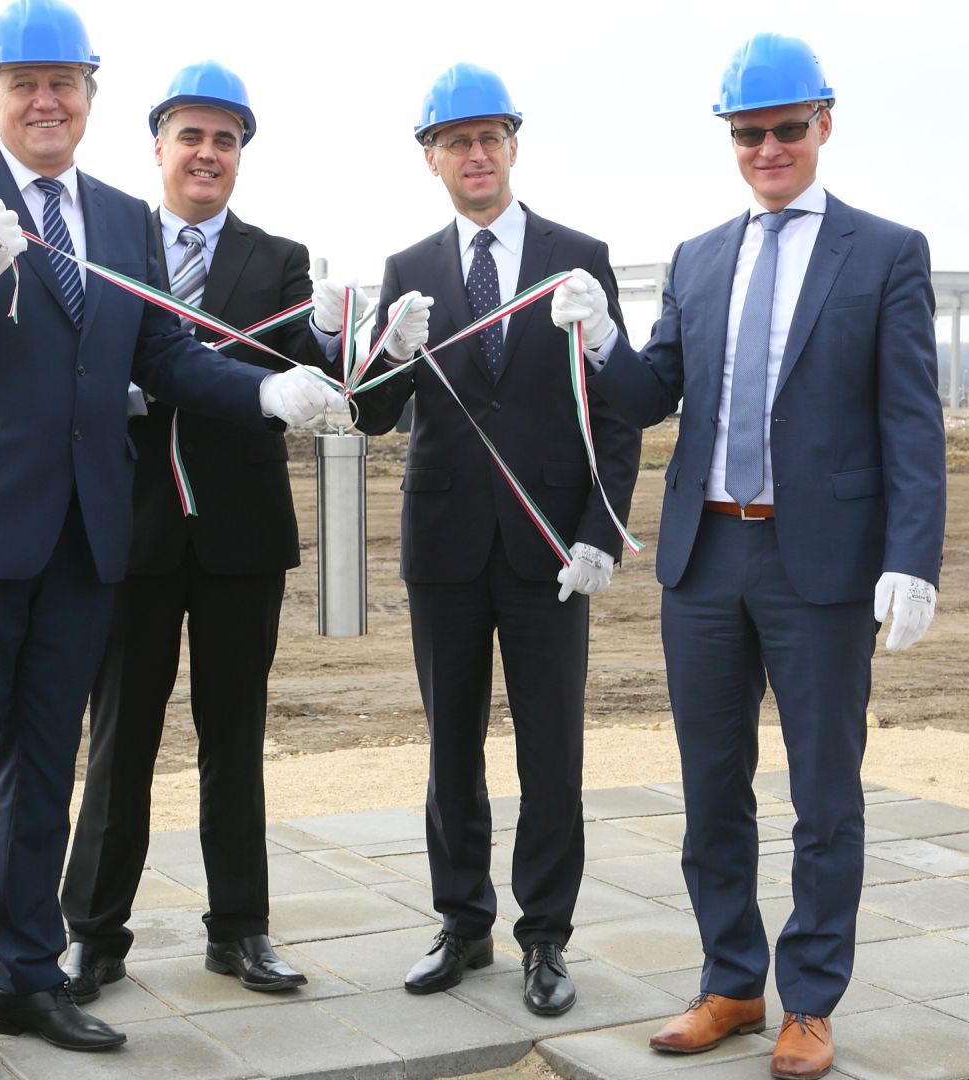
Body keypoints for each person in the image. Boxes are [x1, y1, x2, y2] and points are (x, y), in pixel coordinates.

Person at [0, 5, 341, 1077]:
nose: (45, 99)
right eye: (24, 80)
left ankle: (26, 977)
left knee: (42, 769)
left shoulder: (121, 220)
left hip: (81, 541)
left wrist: (267, 393)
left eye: (64, 80)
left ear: (91, 96)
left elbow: (165, 356)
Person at [552, 32, 944, 1079]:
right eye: (747, 133)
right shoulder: (700, 257)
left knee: (826, 793)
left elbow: (912, 421)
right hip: (707, 560)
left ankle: (810, 999)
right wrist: (599, 347)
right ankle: (731, 979)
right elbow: (652, 394)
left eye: (784, 128)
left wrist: (915, 556)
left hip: (821, 567)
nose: (766, 148)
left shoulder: (887, 252)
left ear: (823, 123)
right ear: (730, 139)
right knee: (710, 787)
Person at [339, 63, 641, 1018]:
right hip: (447, 546)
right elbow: (375, 418)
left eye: (490, 139)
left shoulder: (577, 254)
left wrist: (602, 532)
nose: (475, 155)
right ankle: (461, 923)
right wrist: (385, 353)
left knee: (551, 753)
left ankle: (544, 937)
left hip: (553, 548)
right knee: (451, 751)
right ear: (430, 158)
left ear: (513, 146)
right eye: (455, 142)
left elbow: (621, 409)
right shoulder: (411, 270)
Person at [60, 60, 330, 1001]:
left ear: (240, 155)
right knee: (120, 738)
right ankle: (93, 935)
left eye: (225, 139)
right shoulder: (109, 244)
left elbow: (311, 381)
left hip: (240, 535)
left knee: (235, 737)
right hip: (130, 533)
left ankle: (241, 930)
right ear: (160, 147)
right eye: (191, 136)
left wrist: (336, 340)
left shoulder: (280, 261)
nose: (207, 154)